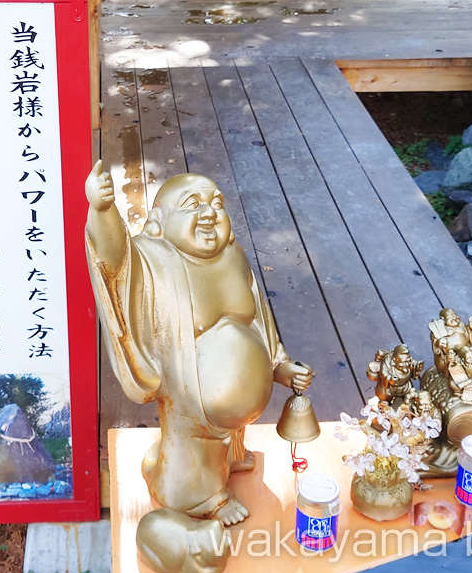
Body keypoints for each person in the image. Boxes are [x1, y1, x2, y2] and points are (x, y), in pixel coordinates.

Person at [85, 162, 312, 526]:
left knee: (226, 441)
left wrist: (280, 366)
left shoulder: (233, 256)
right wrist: (102, 210)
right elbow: (115, 260)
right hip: (190, 408)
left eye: (217, 204)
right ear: (158, 221)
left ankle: (231, 457)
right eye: (193, 205)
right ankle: (202, 497)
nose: (209, 213)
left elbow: (261, 320)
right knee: (191, 454)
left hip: (235, 413)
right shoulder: (153, 259)